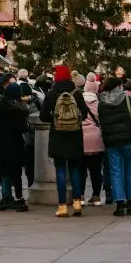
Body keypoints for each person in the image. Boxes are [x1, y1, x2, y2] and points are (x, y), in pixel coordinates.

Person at [39, 65, 88, 218]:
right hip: (74, 136)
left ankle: (62, 206)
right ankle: (77, 202)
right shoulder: (77, 93)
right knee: (75, 170)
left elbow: (43, 116)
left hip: (58, 136)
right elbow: (85, 114)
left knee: (60, 171)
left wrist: (55, 119)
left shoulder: (52, 94)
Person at [97, 75, 131, 217]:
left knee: (116, 171)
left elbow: (101, 121)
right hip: (127, 138)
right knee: (130, 170)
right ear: (118, 86)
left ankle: (120, 203)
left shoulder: (101, 102)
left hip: (111, 141)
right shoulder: (126, 98)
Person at [0, 77, 31, 211]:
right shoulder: (14, 107)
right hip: (13, 143)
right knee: (15, 172)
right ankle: (19, 199)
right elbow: (23, 126)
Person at [80, 75, 106, 206]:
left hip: (81, 138)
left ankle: (81, 196)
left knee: (81, 170)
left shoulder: (79, 102)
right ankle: (96, 196)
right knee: (96, 170)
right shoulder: (99, 104)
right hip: (96, 138)